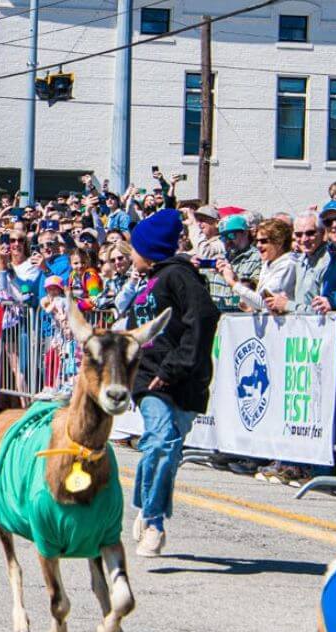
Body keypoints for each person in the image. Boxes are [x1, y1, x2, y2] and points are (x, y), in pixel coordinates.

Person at [124, 209, 221, 557]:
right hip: (148, 379)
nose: (129, 254)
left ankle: (143, 504)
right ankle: (153, 521)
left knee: (164, 449)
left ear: (148, 248)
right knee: (161, 442)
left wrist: (173, 369)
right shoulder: (145, 282)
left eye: (133, 248)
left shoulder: (179, 276)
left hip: (179, 379)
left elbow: (205, 318)